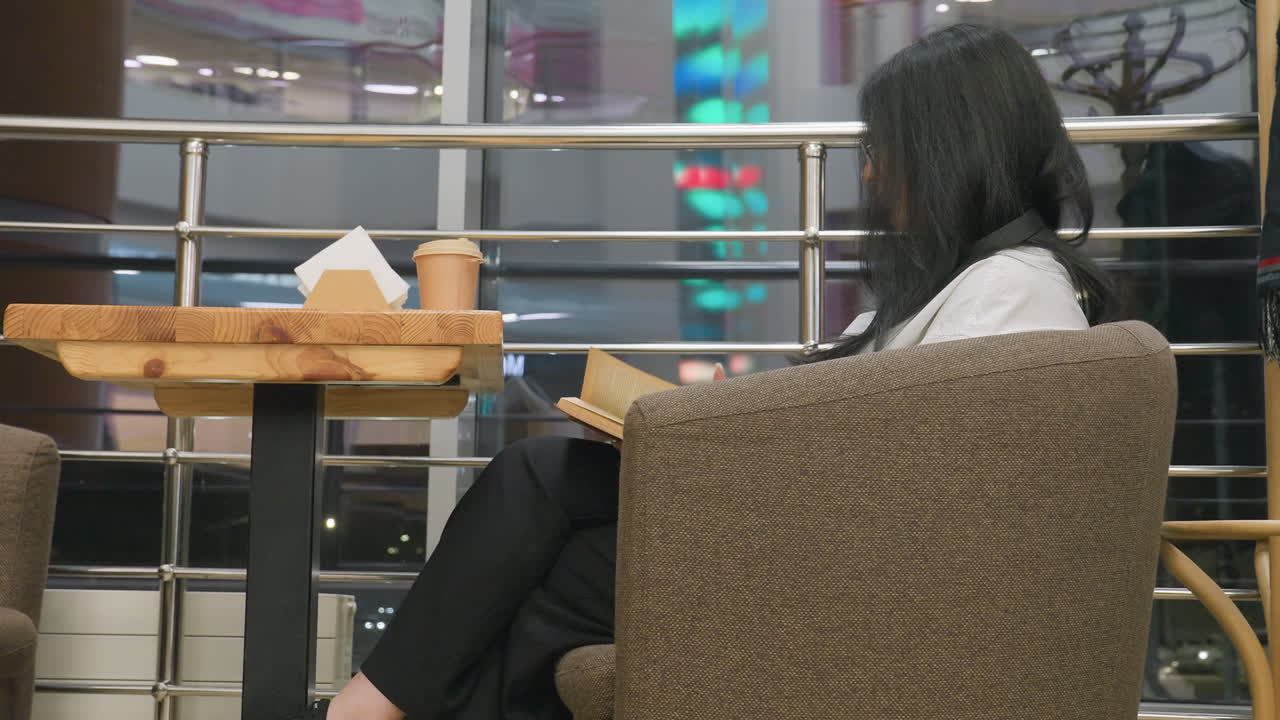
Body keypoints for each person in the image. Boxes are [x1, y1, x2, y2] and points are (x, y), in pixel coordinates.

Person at [283, 22, 1115, 720]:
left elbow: (923, 481)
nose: (871, 172)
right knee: (547, 499)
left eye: (886, 149)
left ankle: (364, 708)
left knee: (541, 499)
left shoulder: (1013, 293)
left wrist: (716, 449)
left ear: (951, 150)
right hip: (819, 538)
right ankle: (370, 709)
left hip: (855, 574)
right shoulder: (970, 286)